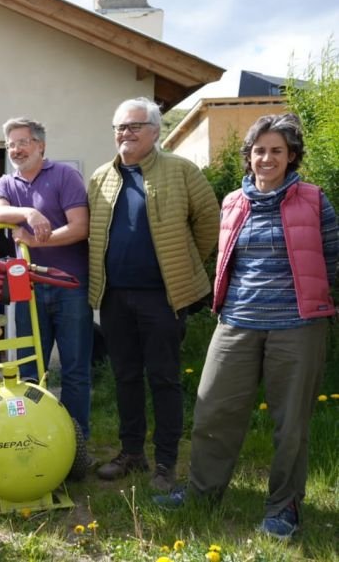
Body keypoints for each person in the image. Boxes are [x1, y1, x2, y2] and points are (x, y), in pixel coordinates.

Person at [155, 114, 338, 539]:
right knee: (212, 408)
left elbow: (331, 259)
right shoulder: (234, 201)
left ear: (291, 156)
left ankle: (284, 507)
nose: (267, 158)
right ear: (249, 156)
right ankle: (203, 492)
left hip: (298, 325)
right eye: (259, 150)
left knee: (290, 423)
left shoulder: (314, 199)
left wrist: (311, 301)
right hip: (236, 320)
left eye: (277, 150)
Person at [88, 97, 219, 491]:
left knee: (163, 378)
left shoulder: (181, 170)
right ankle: (131, 453)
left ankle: (165, 462)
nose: (124, 134)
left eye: (134, 127)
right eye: (119, 128)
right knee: (125, 376)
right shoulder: (100, 177)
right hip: (114, 298)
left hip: (163, 297)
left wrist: (184, 263)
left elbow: (209, 221)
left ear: (155, 132)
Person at [0, 117, 93, 440]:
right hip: (28, 289)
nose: (15, 150)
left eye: (22, 142)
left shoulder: (64, 175)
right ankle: (35, 437)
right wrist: (28, 214)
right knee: (30, 369)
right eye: (11, 145)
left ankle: (75, 440)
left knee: (74, 370)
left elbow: (80, 227)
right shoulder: (6, 183)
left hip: (70, 286)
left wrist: (36, 241)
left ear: (40, 145)